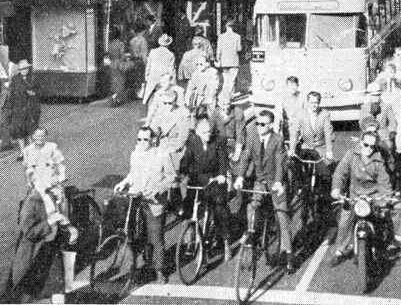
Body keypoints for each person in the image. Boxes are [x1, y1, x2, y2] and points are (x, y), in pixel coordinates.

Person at [329, 131, 401, 267]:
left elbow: (384, 182)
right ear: (361, 142)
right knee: (344, 219)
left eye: (372, 146)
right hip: (355, 196)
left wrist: (386, 199)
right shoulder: (351, 154)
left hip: (374, 196)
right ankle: (339, 251)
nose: (368, 149)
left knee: (397, 206)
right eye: (366, 145)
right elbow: (340, 172)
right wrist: (336, 189)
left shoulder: (378, 160)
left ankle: (399, 238)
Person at [233, 110, 295, 274]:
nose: (259, 127)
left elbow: (280, 163)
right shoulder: (252, 138)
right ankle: (251, 238)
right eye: (257, 123)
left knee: (282, 214)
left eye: (263, 124)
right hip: (260, 181)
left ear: (271, 125)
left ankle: (288, 254)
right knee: (252, 206)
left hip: (276, 181)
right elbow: (245, 157)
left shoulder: (278, 140)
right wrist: (240, 177)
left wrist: (278, 182)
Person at [114, 127, 176, 284]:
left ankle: (160, 270)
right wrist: (123, 183)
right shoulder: (135, 154)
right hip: (136, 200)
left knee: (156, 238)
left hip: (154, 203)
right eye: (139, 139)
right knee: (134, 236)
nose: (141, 143)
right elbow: (132, 173)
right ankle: (137, 267)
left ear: (153, 140)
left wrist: (158, 189)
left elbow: (171, 177)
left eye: (145, 140)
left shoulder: (162, 154)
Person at [8, 173, 79, 303]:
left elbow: (59, 219)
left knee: (58, 288)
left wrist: (69, 227)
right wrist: (49, 222)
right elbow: (29, 232)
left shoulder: (50, 195)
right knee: (30, 294)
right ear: (37, 180)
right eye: (49, 175)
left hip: (51, 249)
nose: (53, 178)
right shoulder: (31, 201)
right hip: (35, 254)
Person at [179, 115, 232, 262]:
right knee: (189, 207)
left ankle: (226, 241)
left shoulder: (218, 141)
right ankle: (191, 238)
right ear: (197, 132)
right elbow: (187, 159)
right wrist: (181, 173)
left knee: (220, 208)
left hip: (214, 178)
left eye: (209, 132)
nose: (207, 135)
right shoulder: (192, 141)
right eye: (204, 132)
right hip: (197, 179)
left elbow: (223, 161)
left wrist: (222, 175)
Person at [288, 91, 335, 189]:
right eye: (312, 102)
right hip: (306, 146)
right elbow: (295, 132)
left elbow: (327, 132)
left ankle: (323, 193)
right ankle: (300, 186)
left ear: (319, 103)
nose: (314, 105)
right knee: (294, 164)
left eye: (316, 103)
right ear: (308, 102)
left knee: (325, 173)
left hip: (320, 147)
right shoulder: (301, 113)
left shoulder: (325, 114)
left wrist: (329, 151)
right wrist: (292, 149)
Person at [5, 60, 40, 161]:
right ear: (19, 70)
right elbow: (11, 93)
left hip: (30, 108)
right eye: (22, 69)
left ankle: (33, 152)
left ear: (28, 68)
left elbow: (39, 91)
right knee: (19, 131)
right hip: (18, 109)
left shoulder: (33, 78)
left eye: (26, 68)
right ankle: (23, 151)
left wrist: (33, 93)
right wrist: (10, 107)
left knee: (31, 131)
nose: (24, 70)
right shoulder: (15, 79)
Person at [149, 88, 190, 170]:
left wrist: (177, 147)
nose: (167, 106)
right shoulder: (160, 111)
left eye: (170, 103)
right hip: (162, 144)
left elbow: (183, 135)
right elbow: (153, 128)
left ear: (175, 101)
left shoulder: (183, 113)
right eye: (165, 103)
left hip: (175, 145)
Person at [359, 82, 397, 155]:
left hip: (382, 134)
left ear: (380, 95)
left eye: (377, 95)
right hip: (368, 134)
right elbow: (361, 122)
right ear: (369, 95)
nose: (376, 97)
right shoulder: (365, 107)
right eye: (373, 95)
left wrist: (390, 135)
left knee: (387, 148)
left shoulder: (386, 106)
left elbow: (393, 122)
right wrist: (367, 128)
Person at [143, 34, 176, 105]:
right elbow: (171, 70)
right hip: (164, 78)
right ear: (168, 44)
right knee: (164, 97)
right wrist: (173, 81)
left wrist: (147, 76)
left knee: (150, 96)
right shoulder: (170, 54)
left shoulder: (153, 52)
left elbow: (148, 66)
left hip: (153, 77)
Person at [215, 19, 242, 96]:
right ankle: (230, 95)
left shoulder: (221, 37)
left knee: (226, 79)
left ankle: (225, 95)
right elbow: (239, 49)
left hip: (224, 61)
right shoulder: (237, 36)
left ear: (226, 26)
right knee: (232, 80)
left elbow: (218, 50)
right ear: (233, 27)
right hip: (234, 61)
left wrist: (218, 59)